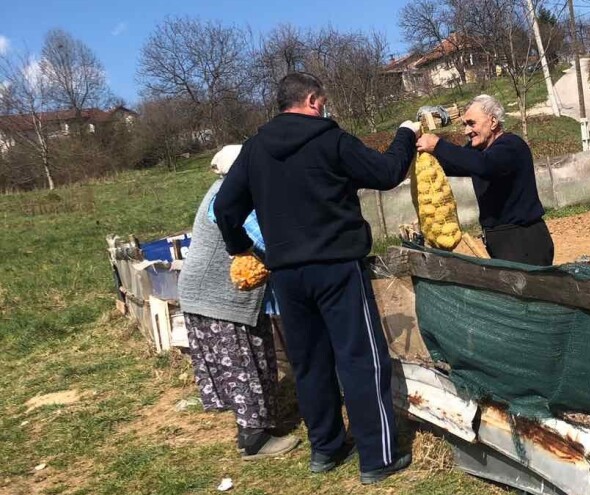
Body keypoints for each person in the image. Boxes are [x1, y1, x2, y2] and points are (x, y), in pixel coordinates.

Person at [213, 72, 420, 485]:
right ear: (311, 100)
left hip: (287, 275)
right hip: (337, 267)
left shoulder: (255, 150)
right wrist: (405, 134)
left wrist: (245, 250)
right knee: (360, 358)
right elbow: (386, 173)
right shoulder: (331, 140)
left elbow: (224, 208)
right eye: (322, 102)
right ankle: (377, 456)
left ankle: (325, 448)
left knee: (309, 363)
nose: (324, 108)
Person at [177, 146, 298, 460]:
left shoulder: (224, 191)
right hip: (217, 296)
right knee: (243, 363)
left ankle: (256, 429)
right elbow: (264, 240)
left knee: (251, 359)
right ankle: (254, 439)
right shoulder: (232, 197)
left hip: (210, 294)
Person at [416, 94, 555, 266]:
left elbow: (485, 166)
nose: (467, 131)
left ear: (493, 121)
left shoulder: (510, 146)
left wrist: (438, 145)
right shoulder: (479, 151)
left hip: (523, 241)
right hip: (503, 242)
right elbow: (456, 164)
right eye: (465, 125)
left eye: (471, 123)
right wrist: (423, 156)